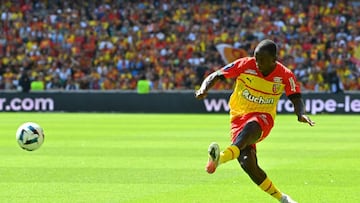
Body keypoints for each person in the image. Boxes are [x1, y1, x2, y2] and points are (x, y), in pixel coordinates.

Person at [195, 39, 315, 203]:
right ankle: (283, 198)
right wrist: (204, 88)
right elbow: (217, 75)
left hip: (263, 118)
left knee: (253, 124)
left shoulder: (285, 75)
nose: (258, 64)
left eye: (262, 60)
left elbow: (296, 98)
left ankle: (220, 158)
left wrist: (300, 114)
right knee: (248, 164)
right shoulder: (245, 64)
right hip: (238, 117)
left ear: (274, 60)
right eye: (256, 59)